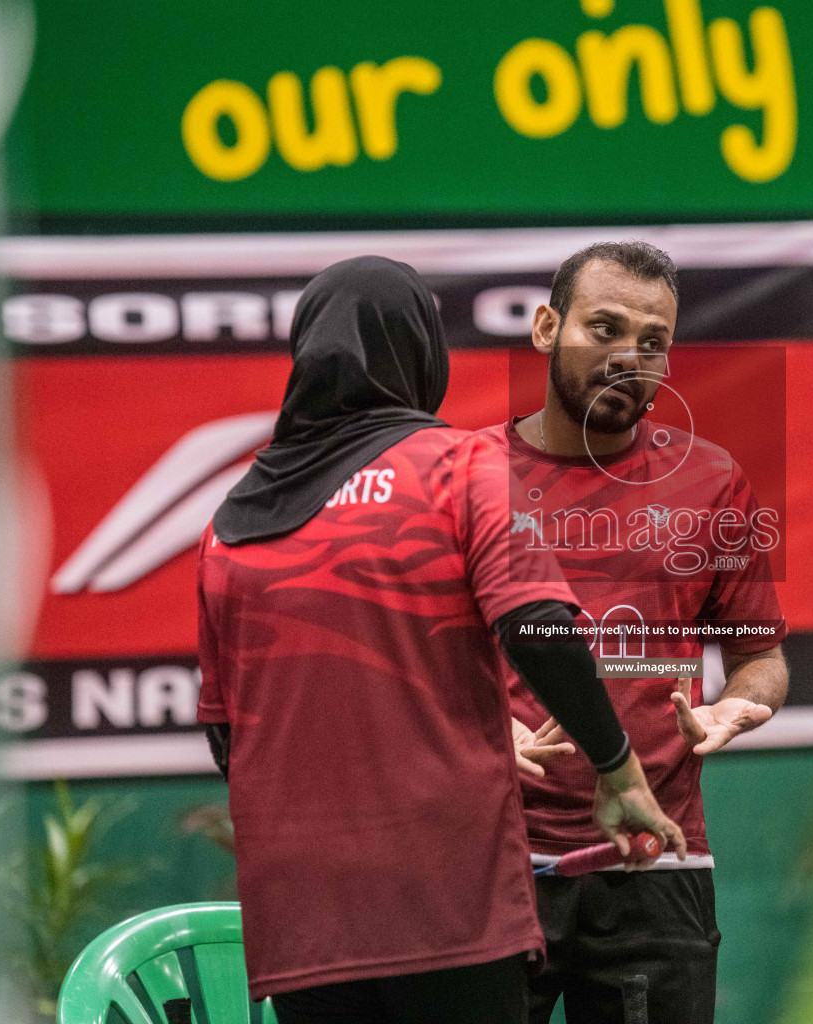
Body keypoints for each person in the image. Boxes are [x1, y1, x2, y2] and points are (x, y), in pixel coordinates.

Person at [195, 256, 685, 1023]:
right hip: (446, 908)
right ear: (423, 351)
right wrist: (618, 771)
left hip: (303, 927)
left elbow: (230, 739)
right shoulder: (460, 467)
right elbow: (538, 628)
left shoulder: (232, 523)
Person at [479, 240, 790, 1023]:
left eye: (652, 342)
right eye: (605, 328)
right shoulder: (468, 476)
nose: (629, 357)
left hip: (657, 862)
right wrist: (471, 728)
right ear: (547, 327)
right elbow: (413, 661)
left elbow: (762, 656)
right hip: (493, 864)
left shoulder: (713, 480)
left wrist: (738, 705)